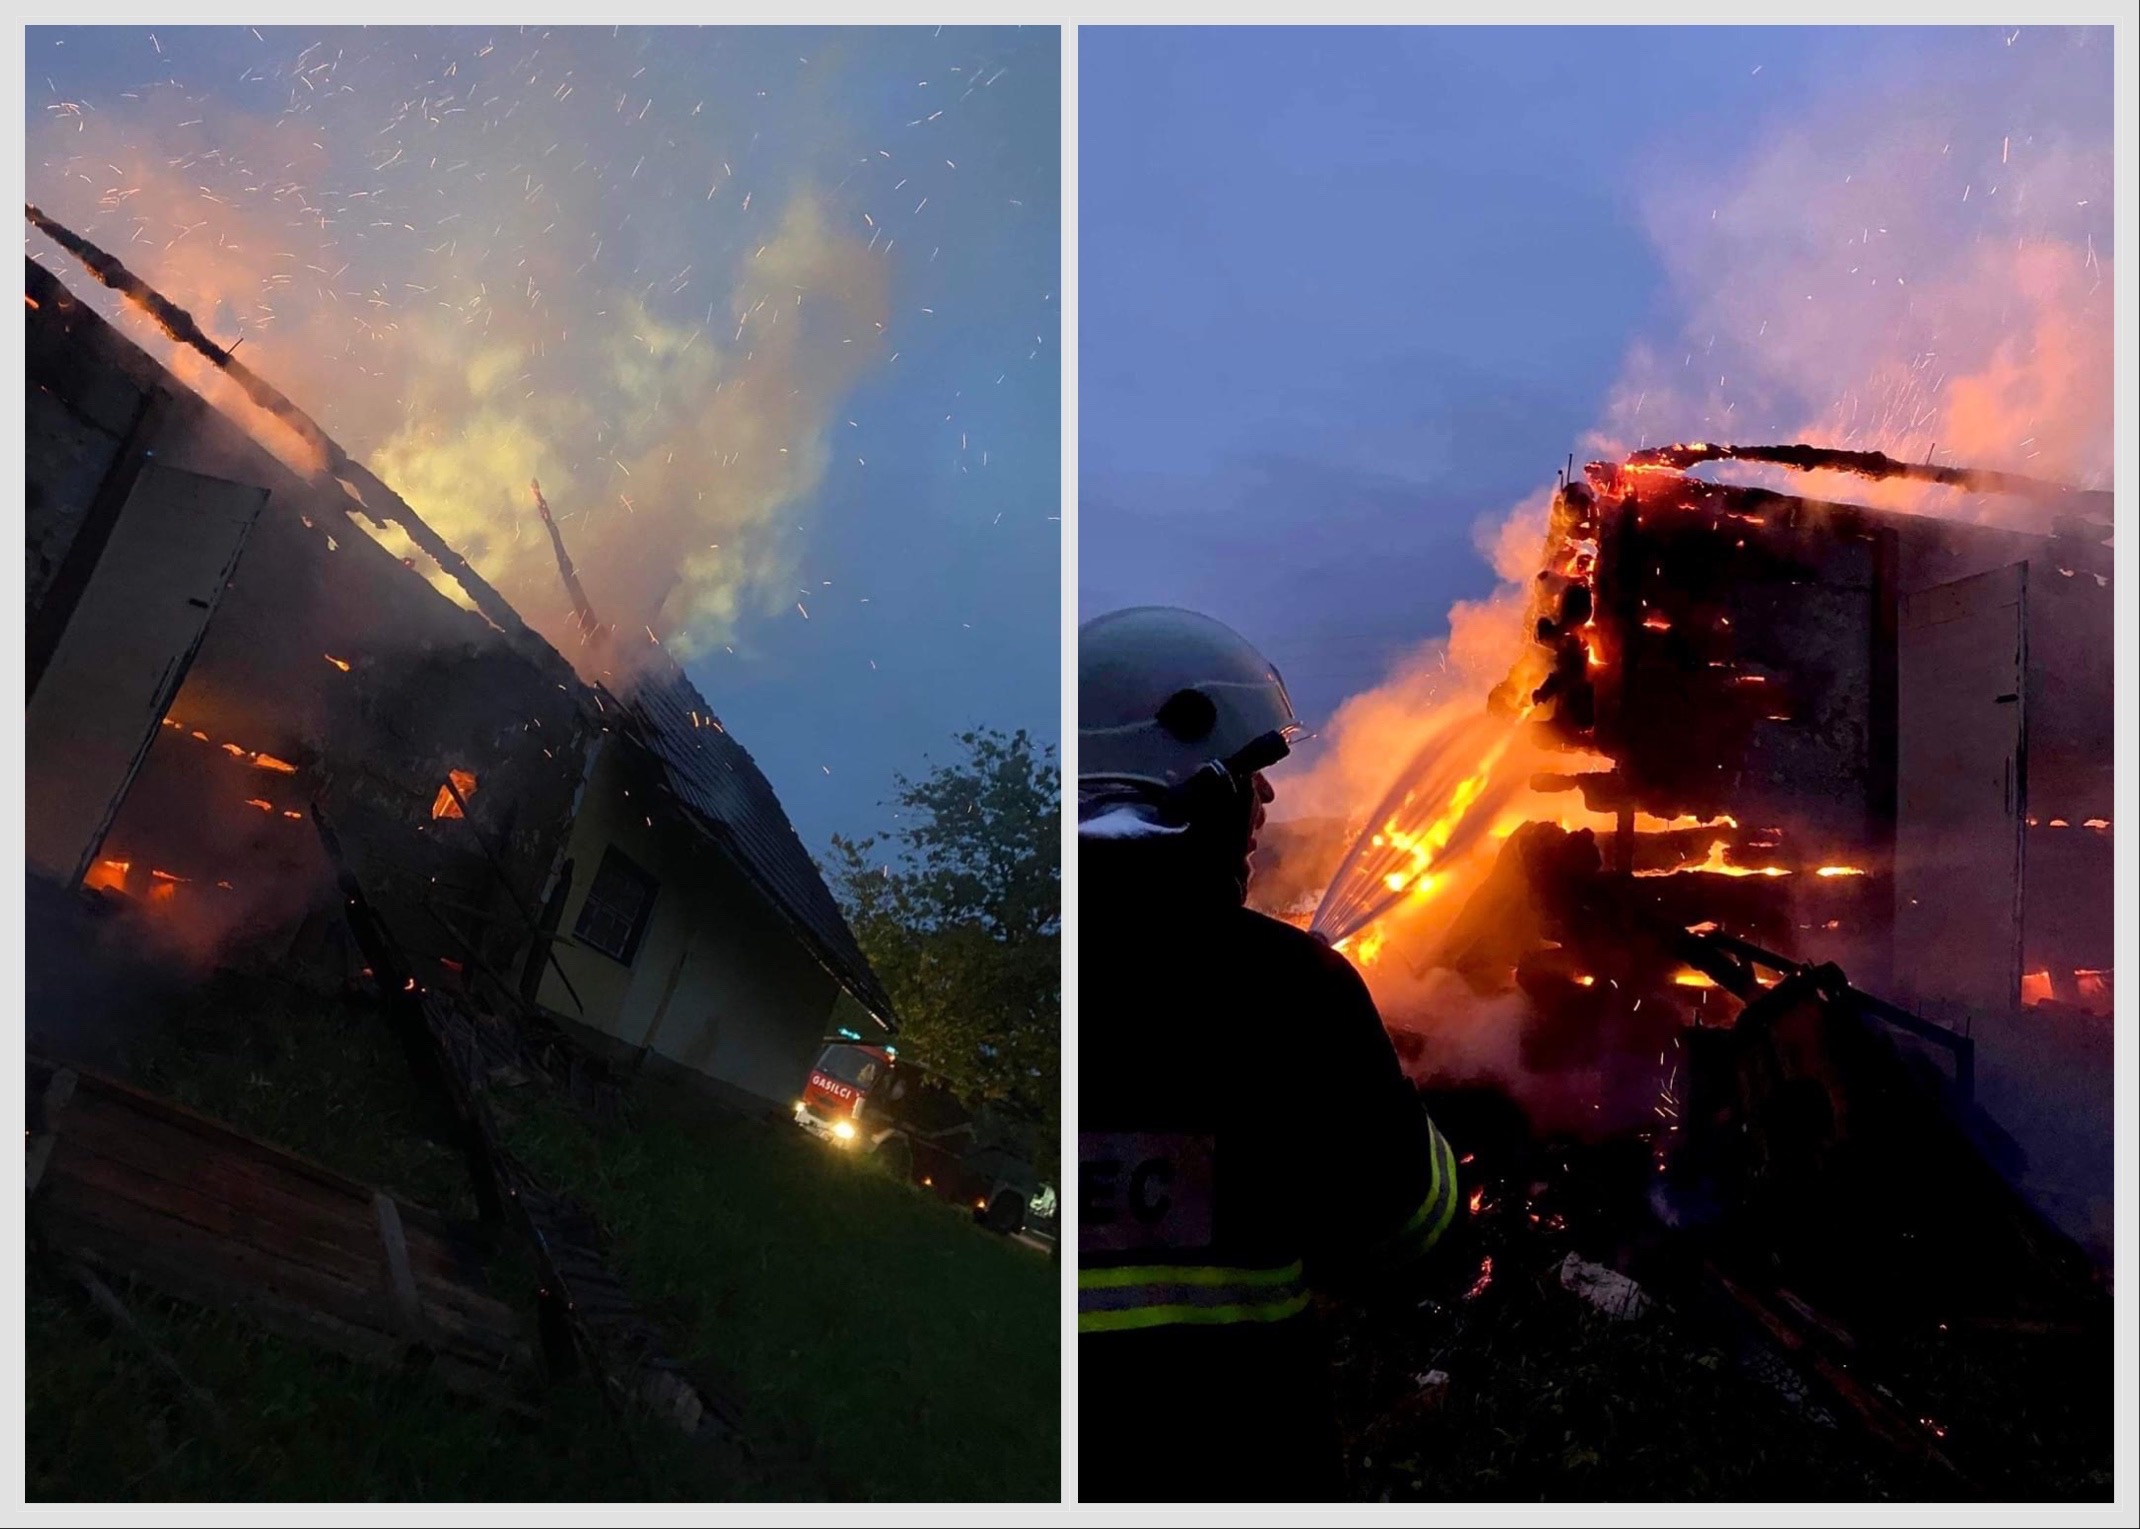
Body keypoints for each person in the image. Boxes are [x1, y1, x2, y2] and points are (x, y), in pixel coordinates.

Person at [1078, 606, 1462, 1504]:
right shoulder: (1292, 991)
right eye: (1249, 771)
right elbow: (1423, 1238)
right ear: (1193, 786)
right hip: (1246, 1464)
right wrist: (1390, 1094)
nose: (1268, 798)